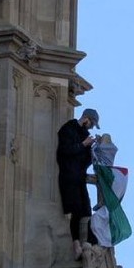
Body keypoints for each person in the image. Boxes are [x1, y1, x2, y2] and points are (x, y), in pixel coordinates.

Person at [57, 108, 100, 259]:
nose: (91, 128)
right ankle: (76, 245)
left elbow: (85, 161)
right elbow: (64, 151)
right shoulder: (69, 128)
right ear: (86, 119)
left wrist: (94, 149)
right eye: (92, 124)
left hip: (79, 177)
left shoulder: (85, 135)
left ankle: (87, 243)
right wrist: (83, 144)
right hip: (69, 176)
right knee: (75, 210)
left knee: (86, 211)